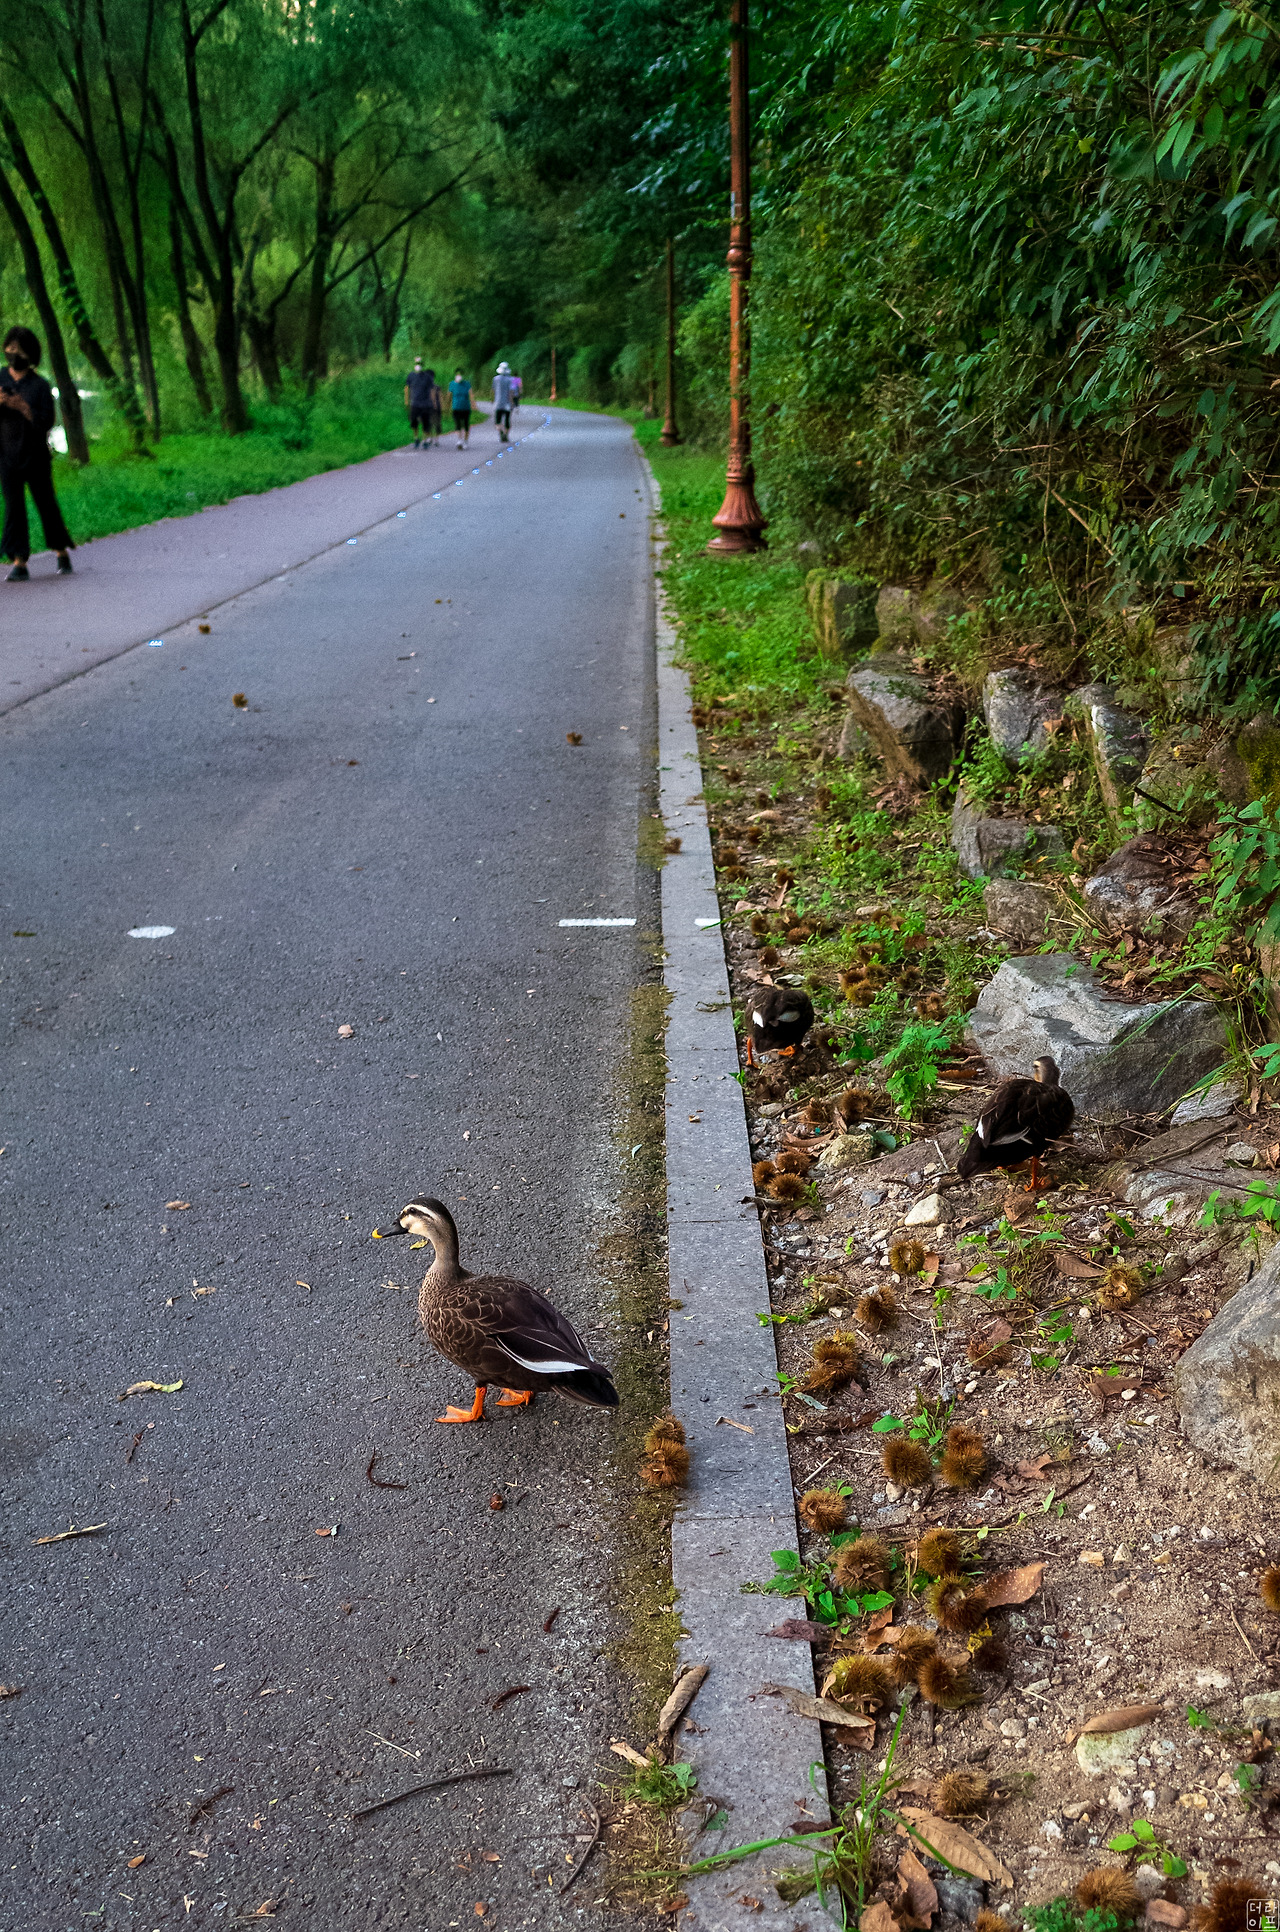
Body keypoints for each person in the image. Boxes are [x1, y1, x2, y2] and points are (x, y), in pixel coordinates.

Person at [0, 325, 74, 582]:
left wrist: (23, 407)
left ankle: (61, 552)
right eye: (10, 348)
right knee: (13, 508)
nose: (14, 354)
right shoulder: (0, 378)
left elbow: (47, 422)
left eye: (19, 350)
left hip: (36, 456)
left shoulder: (40, 386)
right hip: (6, 455)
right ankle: (19, 562)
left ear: (30, 355)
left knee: (46, 504)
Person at [404, 356, 436, 449]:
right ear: (414, 364)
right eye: (417, 364)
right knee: (414, 421)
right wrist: (406, 400)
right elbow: (407, 388)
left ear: (423, 365)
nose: (418, 365)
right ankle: (416, 438)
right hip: (415, 403)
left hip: (426, 403)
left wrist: (433, 402)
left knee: (425, 422)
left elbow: (432, 390)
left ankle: (425, 440)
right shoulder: (411, 375)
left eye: (420, 364)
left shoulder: (427, 377)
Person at [449, 368, 472, 448]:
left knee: (466, 425)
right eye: (457, 374)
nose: (459, 376)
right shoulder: (452, 384)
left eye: (460, 374)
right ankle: (459, 440)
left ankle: (465, 441)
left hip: (466, 407)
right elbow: (449, 395)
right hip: (456, 407)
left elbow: (471, 394)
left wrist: (473, 404)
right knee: (457, 424)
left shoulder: (467, 384)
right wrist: (447, 406)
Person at [492, 361, 514, 442]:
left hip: (498, 403)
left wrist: (492, 399)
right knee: (507, 420)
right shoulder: (510, 380)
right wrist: (512, 402)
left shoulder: (495, 379)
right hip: (507, 403)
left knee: (497, 421)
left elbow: (493, 390)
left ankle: (501, 432)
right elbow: (511, 392)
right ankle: (506, 434)